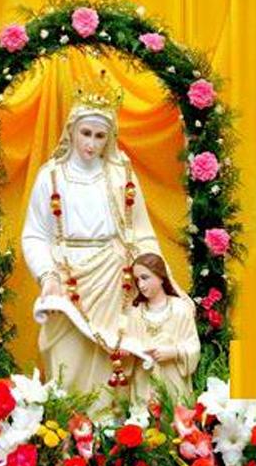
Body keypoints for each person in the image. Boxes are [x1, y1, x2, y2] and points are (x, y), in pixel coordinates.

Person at [21, 73, 193, 414]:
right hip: (67, 277)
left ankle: (110, 430)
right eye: (85, 133)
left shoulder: (121, 175)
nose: (91, 143)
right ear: (72, 131)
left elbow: (141, 232)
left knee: (114, 356)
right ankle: (68, 426)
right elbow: (35, 234)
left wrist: (162, 279)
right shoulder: (50, 176)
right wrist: (48, 276)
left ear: (109, 138)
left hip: (114, 277)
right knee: (66, 358)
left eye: (100, 136)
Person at [120, 253, 201, 405]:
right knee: (145, 416)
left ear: (161, 276)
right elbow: (128, 341)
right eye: (137, 280)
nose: (141, 285)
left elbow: (193, 345)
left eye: (145, 278)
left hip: (174, 382)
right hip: (144, 383)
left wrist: (175, 352)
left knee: (174, 415)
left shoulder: (180, 309)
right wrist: (127, 349)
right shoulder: (135, 312)